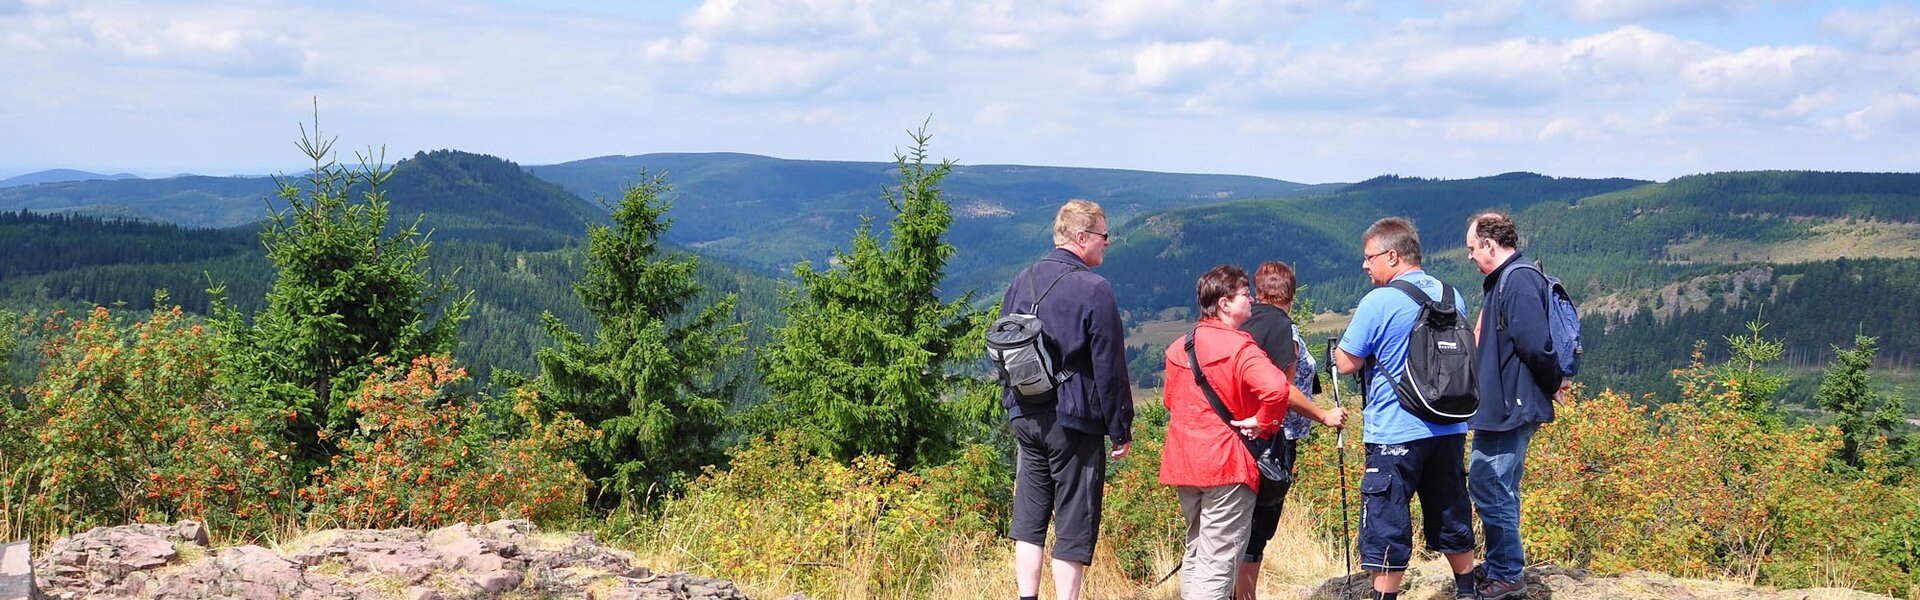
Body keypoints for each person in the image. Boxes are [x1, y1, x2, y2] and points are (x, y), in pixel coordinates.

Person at [1162, 265, 1345, 600]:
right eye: (1245, 295)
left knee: (1197, 549)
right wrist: (1265, 422)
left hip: (1184, 462)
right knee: (1219, 560)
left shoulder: (1180, 346)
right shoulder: (1239, 346)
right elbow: (1277, 389)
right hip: (1227, 464)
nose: (1251, 299)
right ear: (1224, 304)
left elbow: (1170, 400)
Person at [1332, 217, 1478, 600]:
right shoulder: (1452, 295)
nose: (1365, 265)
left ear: (1393, 256)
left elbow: (1346, 362)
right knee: (1451, 511)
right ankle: (1467, 591)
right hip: (1449, 424)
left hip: (1395, 429)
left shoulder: (1379, 301)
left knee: (1387, 521)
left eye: (1370, 257)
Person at [998, 199, 1135, 600]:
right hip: (1074, 420)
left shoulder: (1022, 279)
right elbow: (1110, 366)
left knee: (1030, 519)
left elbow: (1002, 345)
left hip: (1025, 414)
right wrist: (1120, 428)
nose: (1107, 243)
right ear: (1081, 236)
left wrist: (1013, 404)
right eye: (1104, 236)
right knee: (1074, 522)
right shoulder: (1095, 289)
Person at [1464, 211, 1564, 600]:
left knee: (1490, 484)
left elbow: (1535, 344)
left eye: (1473, 248)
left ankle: (1507, 573)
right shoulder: (1508, 278)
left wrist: (1553, 382)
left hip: (1510, 406)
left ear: (1489, 244)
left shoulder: (1518, 280)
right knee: (1497, 485)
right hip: (1504, 404)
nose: (1470, 256)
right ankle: (1501, 564)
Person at [1234, 260, 1327, 600]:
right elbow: (1282, 390)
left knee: (1237, 521)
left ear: (1259, 291)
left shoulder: (1243, 324)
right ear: (1291, 293)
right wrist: (1324, 415)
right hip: (1275, 438)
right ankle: (1245, 596)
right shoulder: (1284, 329)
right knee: (1259, 526)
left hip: (1241, 433)